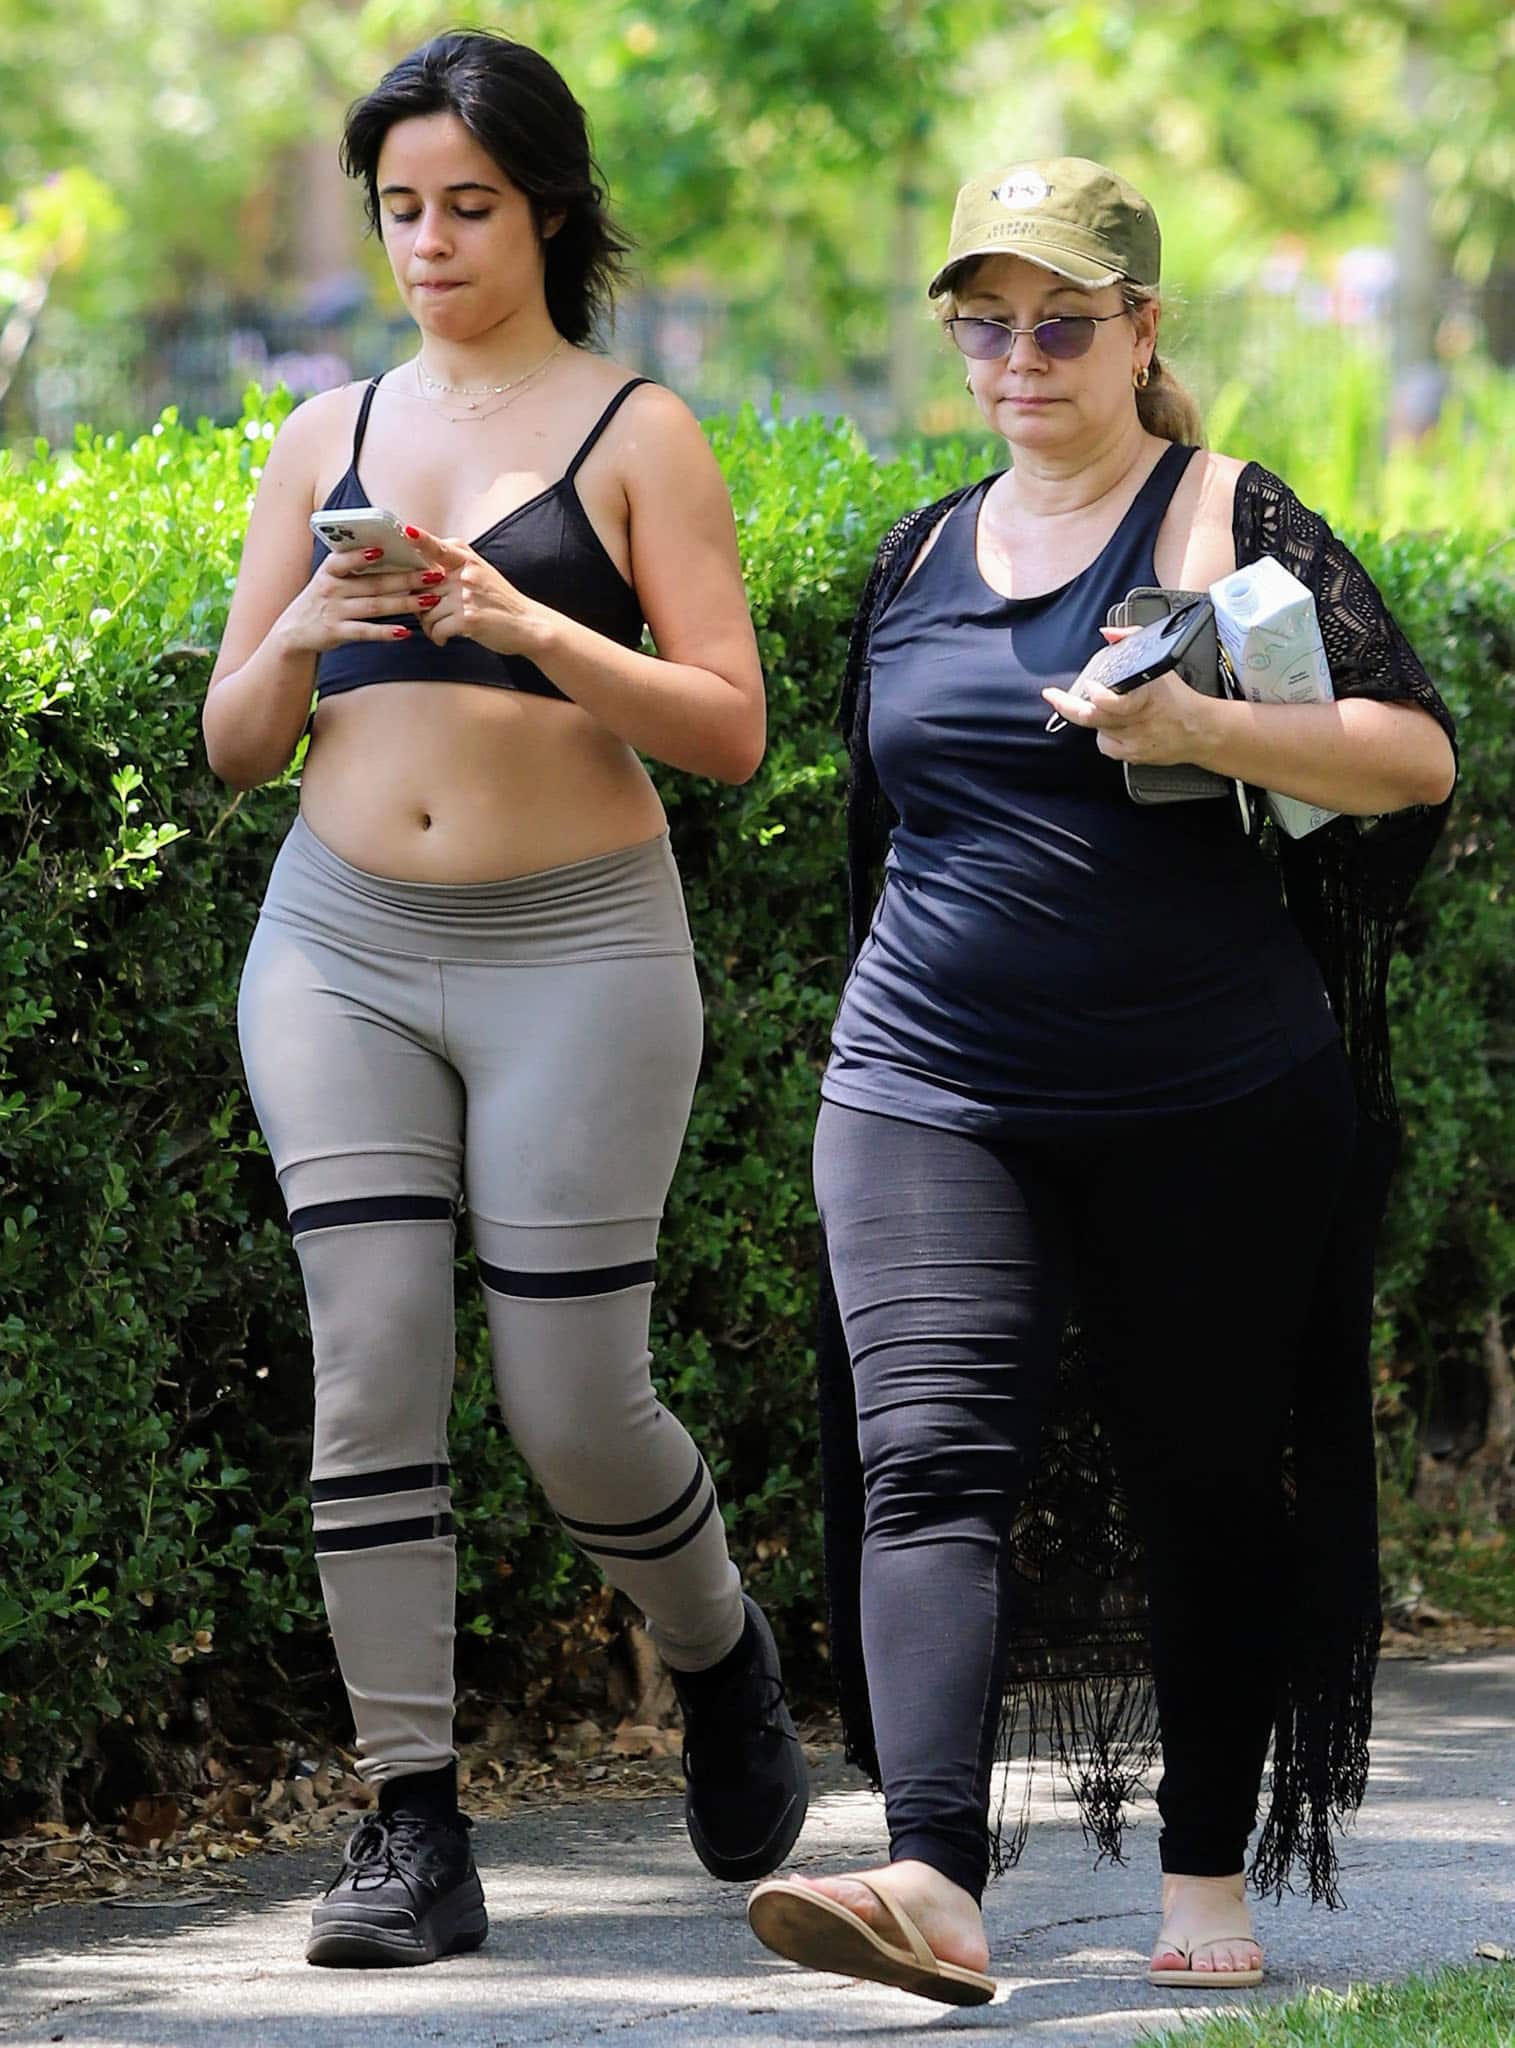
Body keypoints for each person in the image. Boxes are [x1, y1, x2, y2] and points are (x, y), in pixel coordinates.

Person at [746, 158, 1457, 2007]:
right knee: (926, 1456)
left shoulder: (1226, 516)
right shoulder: (915, 554)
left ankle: (1206, 1869)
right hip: (927, 1078)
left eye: (1064, 321)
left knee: (1212, 1479)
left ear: (1145, 333)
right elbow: (892, 830)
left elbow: (1408, 759)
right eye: (987, 322)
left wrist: (1198, 723)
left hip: (1209, 1094)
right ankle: (930, 1881)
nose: (1022, 356)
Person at [203, 29, 807, 1969]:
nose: (431, 241)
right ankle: (408, 1822)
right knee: (372, 1362)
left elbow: (726, 729)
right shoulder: (324, 436)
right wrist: (309, 615)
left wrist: (525, 618)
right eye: (400, 209)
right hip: (338, 942)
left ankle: (716, 1648)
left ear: (546, 207)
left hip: (580, 948)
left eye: (468, 205)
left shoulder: (637, 433)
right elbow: (232, 744)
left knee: (572, 1408)